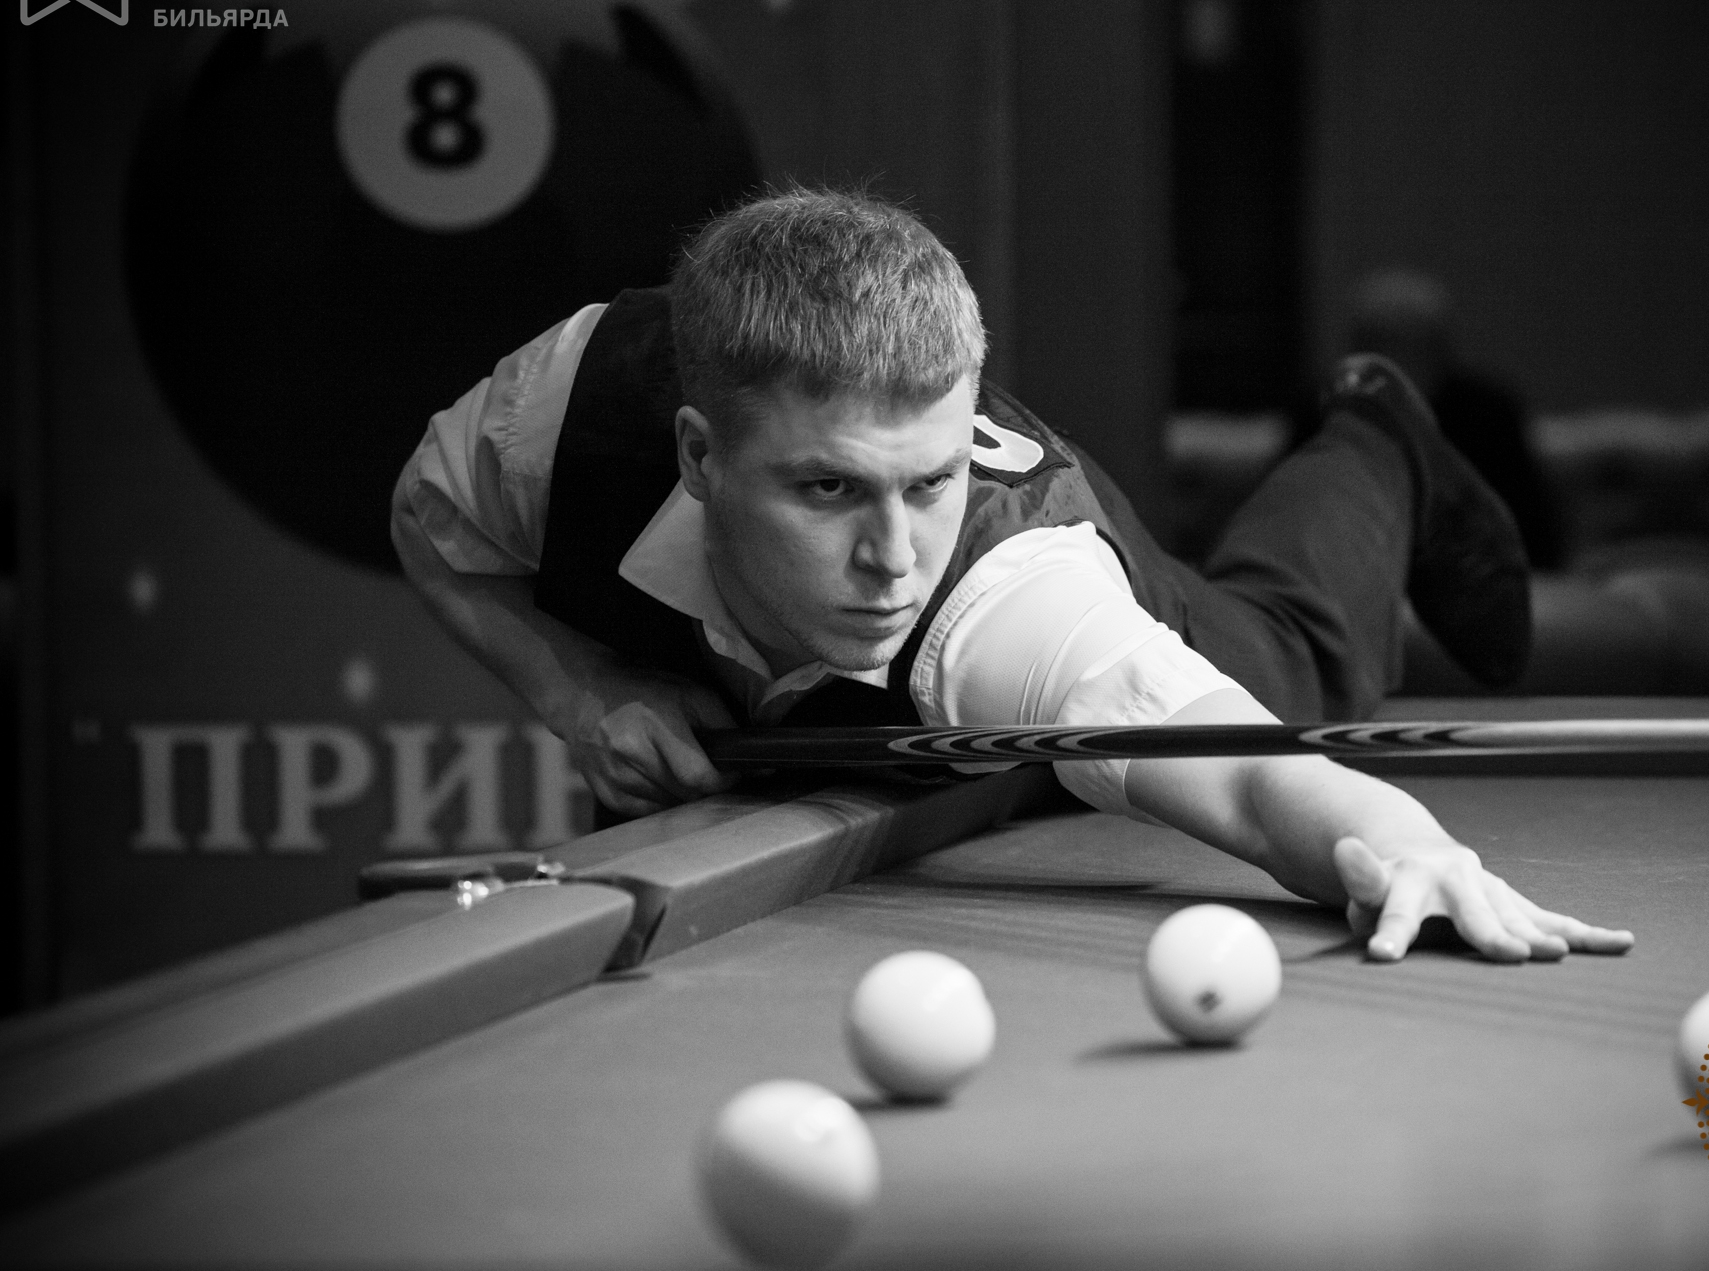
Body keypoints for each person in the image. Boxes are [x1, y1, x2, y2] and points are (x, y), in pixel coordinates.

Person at [392, 188, 1632, 963]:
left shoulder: (1008, 600)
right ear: (698, 455)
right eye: (827, 490)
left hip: (1099, 574)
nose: (893, 558)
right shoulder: (560, 413)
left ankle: (1376, 434)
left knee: (1296, 652)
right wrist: (579, 688)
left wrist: (1405, 844)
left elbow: (1260, 784)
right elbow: (429, 522)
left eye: (925, 482)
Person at [1347, 269, 1566, 570]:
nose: (1396, 363)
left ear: (1440, 351)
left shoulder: (1487, 413)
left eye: (1413, 347)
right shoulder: (1327, 409)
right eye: (1382, 346)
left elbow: (1529, 529)